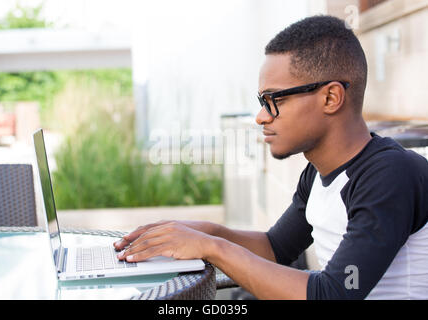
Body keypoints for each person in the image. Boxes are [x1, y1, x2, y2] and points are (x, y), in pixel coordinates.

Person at [114, 15, 428, 299]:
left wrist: (212, 246)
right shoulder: (318, 172)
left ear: (331, 97)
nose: (262, 117)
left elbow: (335, 293)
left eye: (273, 100)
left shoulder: (390, 175)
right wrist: (203, 231)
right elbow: (275, 248)